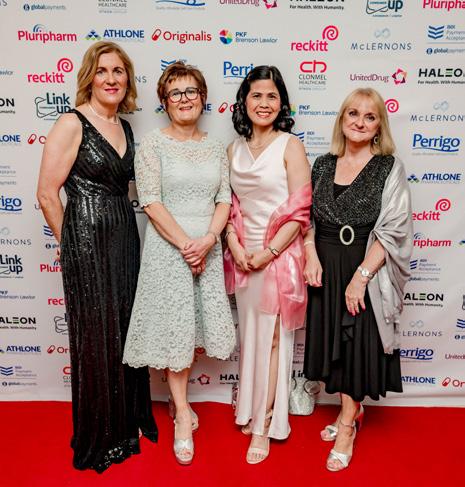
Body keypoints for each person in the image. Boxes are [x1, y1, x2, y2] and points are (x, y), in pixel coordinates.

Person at [36, 41, 157, 473]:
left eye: (118, 71)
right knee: (96, 335)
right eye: (103, 71)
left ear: (127, 80)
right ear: (90, 77)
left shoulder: (125, 127)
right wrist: (72, 244)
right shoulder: (72, 123)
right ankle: (101, 432)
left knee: (124, 329)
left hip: (124, 237)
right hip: (86, 243)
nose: (111, 79)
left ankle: (126, 418)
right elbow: (47, 194)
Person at [122, 61, 236, 466]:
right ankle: (184, 415)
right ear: (165, 101)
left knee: (193, 329)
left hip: (206, 246)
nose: (184, 99)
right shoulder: (153, 144)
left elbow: (224, 198)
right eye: (176, 93)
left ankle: (178, 401)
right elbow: (151, 201)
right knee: (175, 330)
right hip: (169, 249)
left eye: (191, 91)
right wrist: (188, 245)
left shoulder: (215, 147)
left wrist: (208, 241)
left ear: (202, 98)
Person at [303, 87, 413, 471]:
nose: (360, 122)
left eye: (370, 116)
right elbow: (306, 217)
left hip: (365, 265)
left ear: (379, 126)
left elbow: (394, 229)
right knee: (335, 345)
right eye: (353, 114)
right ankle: (347, 412)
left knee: (354, 346)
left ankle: (347, 426)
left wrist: (361, 277)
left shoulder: (388, 167)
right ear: (342, 118)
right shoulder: (321, 164)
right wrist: (310, 253)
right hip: (325, 265)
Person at [225, 65, 311, 464]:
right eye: (257, 95)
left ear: (282, 104)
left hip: (279, 256)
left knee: (275, 338)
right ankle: (253, 407)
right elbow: (229, 207)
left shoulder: (290, 146)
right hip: (244, 257)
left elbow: (300, 212)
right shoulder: (233, 150)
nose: (264, 103)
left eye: (272, 96)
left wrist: (269, 252)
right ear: (244, 101)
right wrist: (235, 245)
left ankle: (265, 424)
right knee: (252, 337)